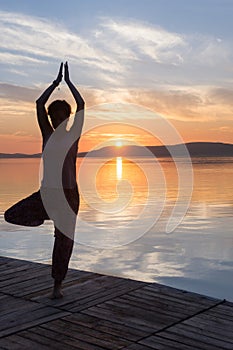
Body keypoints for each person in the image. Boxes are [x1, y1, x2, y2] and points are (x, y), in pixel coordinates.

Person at [4, 62, 85, 299]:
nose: (59, 120)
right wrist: (54, 83)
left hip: (68, 195)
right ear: (51, 118)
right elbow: (39, 104)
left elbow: (81, 105)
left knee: (64, 243)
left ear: (68, 118)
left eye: (63, 116)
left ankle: (56, 288)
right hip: (47, 194)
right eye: (55, 116)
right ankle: (43, 218)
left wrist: (69, 83)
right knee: (12, 214)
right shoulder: (47, 134)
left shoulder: (73, 136)